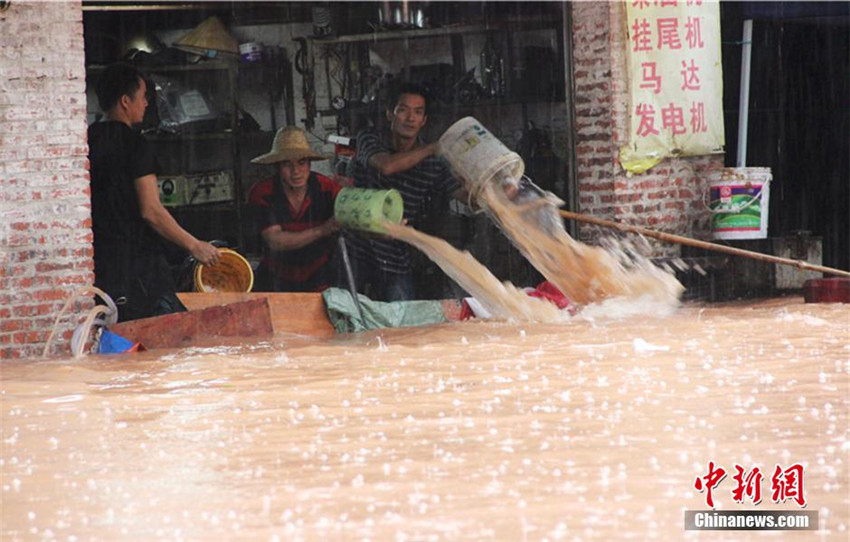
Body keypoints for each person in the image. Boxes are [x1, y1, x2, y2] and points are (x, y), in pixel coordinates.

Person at [88, 63, 220, 322]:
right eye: (143, 96)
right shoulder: (136, 144)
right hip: (138, 265)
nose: (147, 103)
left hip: (101, 263)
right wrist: (195, 245)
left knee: (114, 342)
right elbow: (151, 211)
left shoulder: (87, 139)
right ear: (126, 101)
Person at [347, 82, 465, 301]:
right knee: (347, 316)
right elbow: (386, 166)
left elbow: (464, 196)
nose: (410, 118)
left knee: (400, 324)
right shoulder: (369, 139)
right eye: (403, 110)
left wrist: (493, 187)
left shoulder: (433, 163)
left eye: (418, 112)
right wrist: (434, 147)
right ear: (390, 114)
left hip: (396, 255)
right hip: (358, 249)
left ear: (424, 121)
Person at [247, 126, 342, 292]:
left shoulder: (326, 187)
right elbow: (275, 240)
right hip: (275, 278)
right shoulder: (263, 192)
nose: (296, 171)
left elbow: (353, 212)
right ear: (277, 167)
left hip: (319, 274)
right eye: (286, 164)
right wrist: (322, 230)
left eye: (302, 162)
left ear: (309, 164)